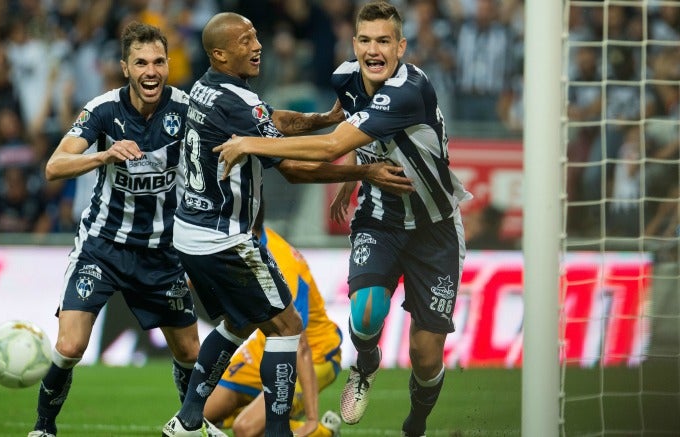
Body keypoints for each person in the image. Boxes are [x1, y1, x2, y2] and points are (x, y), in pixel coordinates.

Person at [213, 3, 471, 436]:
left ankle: (417, 422)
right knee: (366, 311)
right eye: (366, 40)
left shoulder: (410, 90)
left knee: (426, 357)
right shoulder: (347, 77)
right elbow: (344, 120)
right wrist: (354, 176)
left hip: (435, 228)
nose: (374, 50)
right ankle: (365, 365)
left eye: (384, 41)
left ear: (401, 47)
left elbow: (331, 141)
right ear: (354, 45)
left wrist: (255, 144)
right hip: (380, 218)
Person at [162, 11, 413, 437]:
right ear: (221, 54)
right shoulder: (237, 101)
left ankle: (187, 419)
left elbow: (269, 120)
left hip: (190, 233)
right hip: (225, 236)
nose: (257, 46)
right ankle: (277, 432)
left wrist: (322, 120)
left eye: (256, 36)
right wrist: (364, 173)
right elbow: (295, 169)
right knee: (287, 328)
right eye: (245, 41)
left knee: (240, 322)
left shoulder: (204, 89)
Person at [28, 22, 204, 437]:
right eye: (141, 62)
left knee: (189, 352)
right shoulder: (103, 109)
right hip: (103, 246)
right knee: (70, 346)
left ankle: (192, 424)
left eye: (159, 61)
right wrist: (104, 155)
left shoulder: (186, 109)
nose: (151, 71)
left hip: (162, 252)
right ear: (125, 67)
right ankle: (43, 427)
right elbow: (54, 166)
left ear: (168, 65)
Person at [203, 206, 343, 437]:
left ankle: (323, 432)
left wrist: (311, 418)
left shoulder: (282, 264)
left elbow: (300, 344)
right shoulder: (242, 247)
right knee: (198, 415)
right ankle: (254, 413)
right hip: (265, 346)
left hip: (314, 354)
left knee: (245, 430)